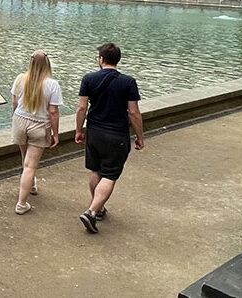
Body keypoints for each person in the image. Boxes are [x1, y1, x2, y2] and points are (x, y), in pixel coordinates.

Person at [74, 42, 144, 233]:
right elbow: (134, 112)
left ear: (101, 59)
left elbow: (82, 108)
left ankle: (99, 208)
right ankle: (92, 211)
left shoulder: (89, 79)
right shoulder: (128, 82)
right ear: (117, 60)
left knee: (96, 170)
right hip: (117, 134)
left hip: (94, 132)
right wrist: (140, 136)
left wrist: (79, 130)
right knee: (110, 175)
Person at [11, 50, 62, 214]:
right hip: (39, 125)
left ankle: (31, 185)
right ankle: (21, 203)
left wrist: (17, 120)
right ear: (48, 64)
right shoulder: (52, 84)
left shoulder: (20, 79)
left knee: (25, 160)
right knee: (30, 165)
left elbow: (14, 102)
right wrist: (55, 133)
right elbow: (53, 111)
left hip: (19, 120)